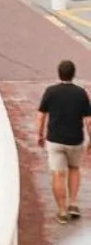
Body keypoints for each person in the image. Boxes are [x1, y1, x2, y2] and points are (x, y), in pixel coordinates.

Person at [37, 57, 90, 222]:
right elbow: (88, 120)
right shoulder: (81, 93)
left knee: (58, 174)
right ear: (73, 74)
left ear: (59, 74)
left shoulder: (50, 91)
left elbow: (41, 116)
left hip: (55, 140)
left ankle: (61, 211)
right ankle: (73, 204)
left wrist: (39, 134)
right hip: (75, 140)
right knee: (74, 169)